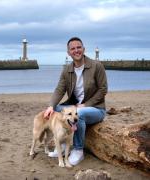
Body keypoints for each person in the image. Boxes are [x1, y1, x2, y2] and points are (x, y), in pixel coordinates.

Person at [44, 37, 108, 166]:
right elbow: (59, 89)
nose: (76, 50)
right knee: (58, 110)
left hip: (96, 109)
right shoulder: (67, 70)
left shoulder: (96, 66)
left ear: (83, 49)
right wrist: (51, 106)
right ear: (69, 52)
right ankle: (61, 145)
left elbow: (103, 89)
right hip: (76, 106)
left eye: (79, 47)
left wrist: (86, 105)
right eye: (73, 48)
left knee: (79, 113)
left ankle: (79, 150)